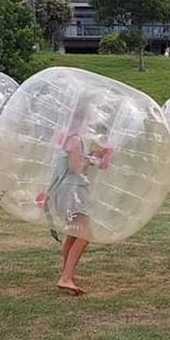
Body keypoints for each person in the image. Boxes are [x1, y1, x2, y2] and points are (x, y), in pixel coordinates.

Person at [37, 107, 113, 295]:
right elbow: (76, 168)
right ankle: (66, 277)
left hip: (67, 191)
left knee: (73, 233)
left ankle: (67, 274)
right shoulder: (76, 140)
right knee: (85, 235)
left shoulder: (67, 138)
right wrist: (94, 158)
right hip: (73, 192)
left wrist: (95, 156)